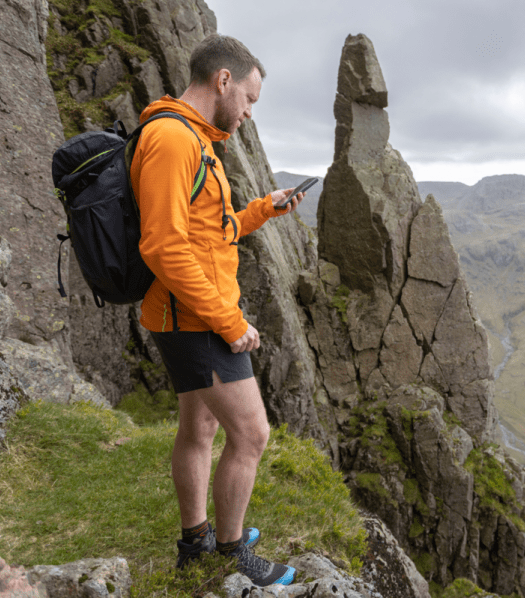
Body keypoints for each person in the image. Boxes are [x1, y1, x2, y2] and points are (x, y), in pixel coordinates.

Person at [131, 34, 303, 587]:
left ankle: (195, 541)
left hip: (188, 314)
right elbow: (163, 245)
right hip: (196, 318)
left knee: (199, 427)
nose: (250, 113)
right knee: (251, 435)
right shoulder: (173, 140)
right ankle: (230, 554)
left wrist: (262, 210)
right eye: (249, 99)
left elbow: (211, 229)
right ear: (222, 81)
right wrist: (230, 323)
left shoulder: (196, 138)